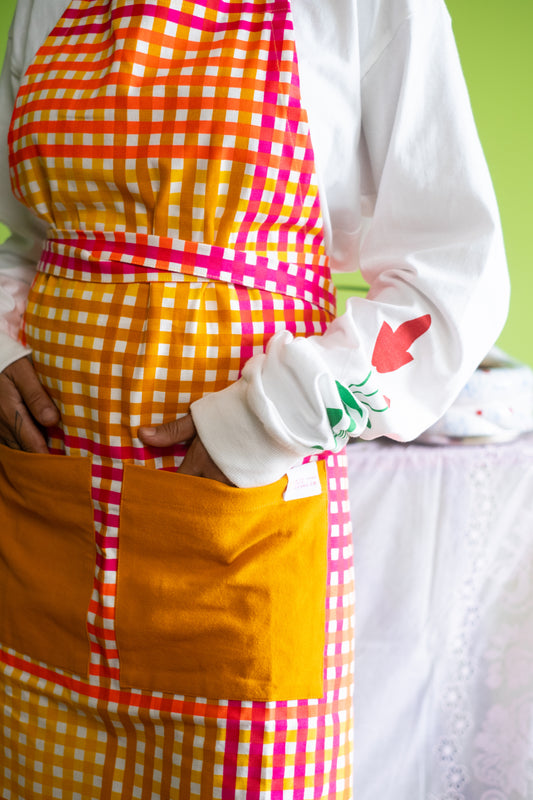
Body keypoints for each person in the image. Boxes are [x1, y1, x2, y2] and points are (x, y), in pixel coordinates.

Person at [0, 0, 509, 797]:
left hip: (242, 514)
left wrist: (270, 417)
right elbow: (26, 243)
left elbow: (453, 282)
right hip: (46, 516)